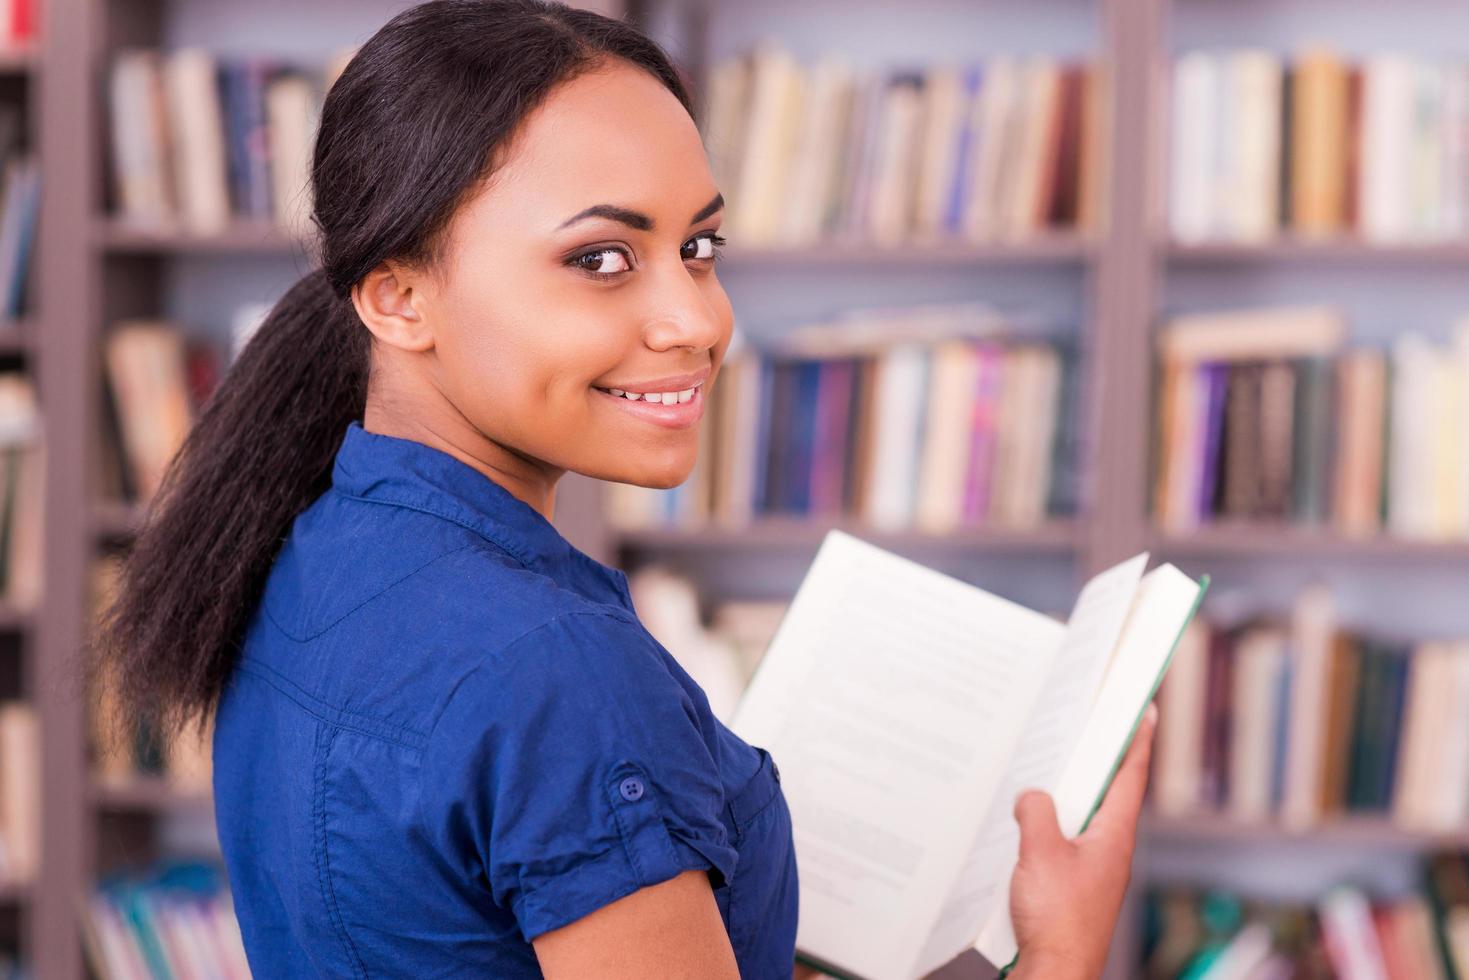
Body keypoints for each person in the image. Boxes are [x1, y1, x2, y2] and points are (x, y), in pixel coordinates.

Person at [88, 1, 1156, 976]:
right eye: (600, 258)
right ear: (397, 296)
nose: (696, 319)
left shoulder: (297, 547)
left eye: (698, 246)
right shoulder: (559, 671)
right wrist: (1061, 944)